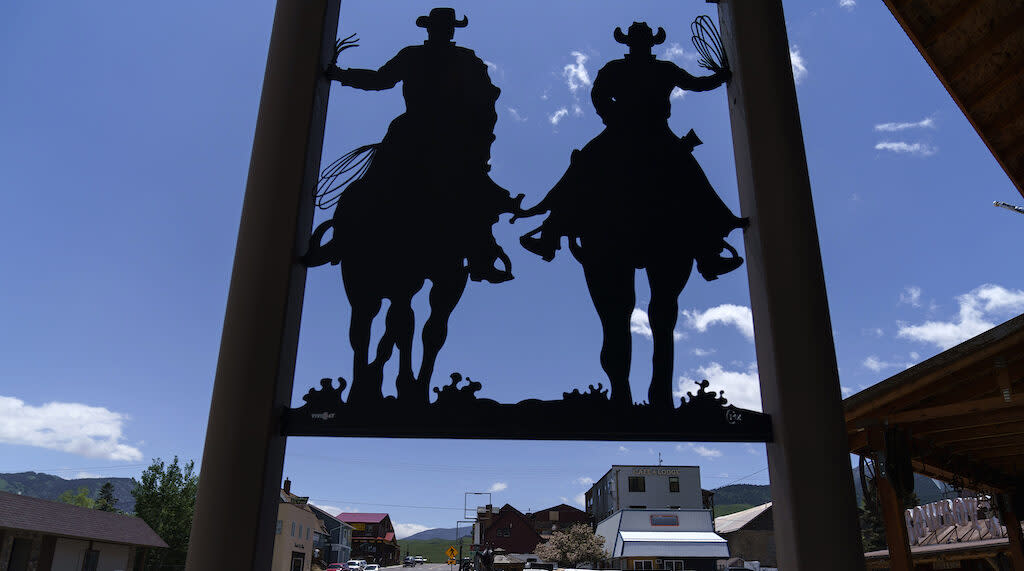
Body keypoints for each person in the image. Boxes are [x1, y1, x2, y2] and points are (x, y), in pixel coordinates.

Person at [519, 21, 747, 281]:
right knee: (583, 168)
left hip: (634, 131)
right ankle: (550, 233)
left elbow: (600, 96)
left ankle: (549, 235)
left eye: (642, 40)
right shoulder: (648, 69)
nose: (640, 44)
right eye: (638, 41)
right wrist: (719, 77)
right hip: (639, 132)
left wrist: (718, 78)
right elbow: (600, 96)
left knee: (691, 177)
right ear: (636, 43)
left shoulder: (633, 68)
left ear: (645, 43)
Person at [326, 7, 518, 283]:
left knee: (476, 196)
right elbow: (380, 80)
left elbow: (487, 101)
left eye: (448, 26)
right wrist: (342, 74)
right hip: (423, 133)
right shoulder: (418, 56)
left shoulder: (465, 60)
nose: (444, 30)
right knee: (373, 183)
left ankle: (481, 257)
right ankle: (344, 236)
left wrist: (480, 144)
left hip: (442, 136)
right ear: (430, 28)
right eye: (441, 25)